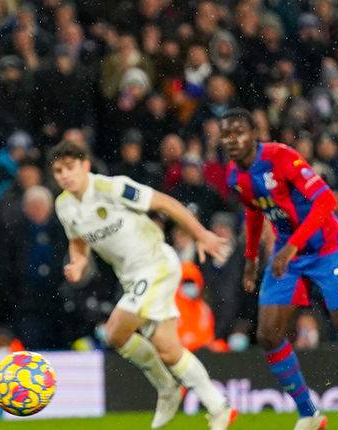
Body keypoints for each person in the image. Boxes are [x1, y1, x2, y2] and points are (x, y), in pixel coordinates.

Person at [220, 108, 338, 430]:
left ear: (254, 134)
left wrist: (292, 245)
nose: (232, 139)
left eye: (239, 132)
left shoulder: (282, 158)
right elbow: (254, 212)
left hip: (326, 249)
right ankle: (309, 414)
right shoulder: (235, 176)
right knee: (267, 335)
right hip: (288, 255)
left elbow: (326, 201)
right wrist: (250, 261)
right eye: (226, 134)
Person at [48, 142, 236, 430]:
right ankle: (218, 406)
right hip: (132, 278)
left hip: (156, 264)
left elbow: (165, 203)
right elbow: (78, 241)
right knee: (168, 349)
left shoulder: (113, 188)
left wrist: (201, 235)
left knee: (115, 331)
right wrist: (78, 262)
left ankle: (167, 388)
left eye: (70, 168)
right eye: (59, 171)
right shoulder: (64, 205)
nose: (65, 176)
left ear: (85, 165)